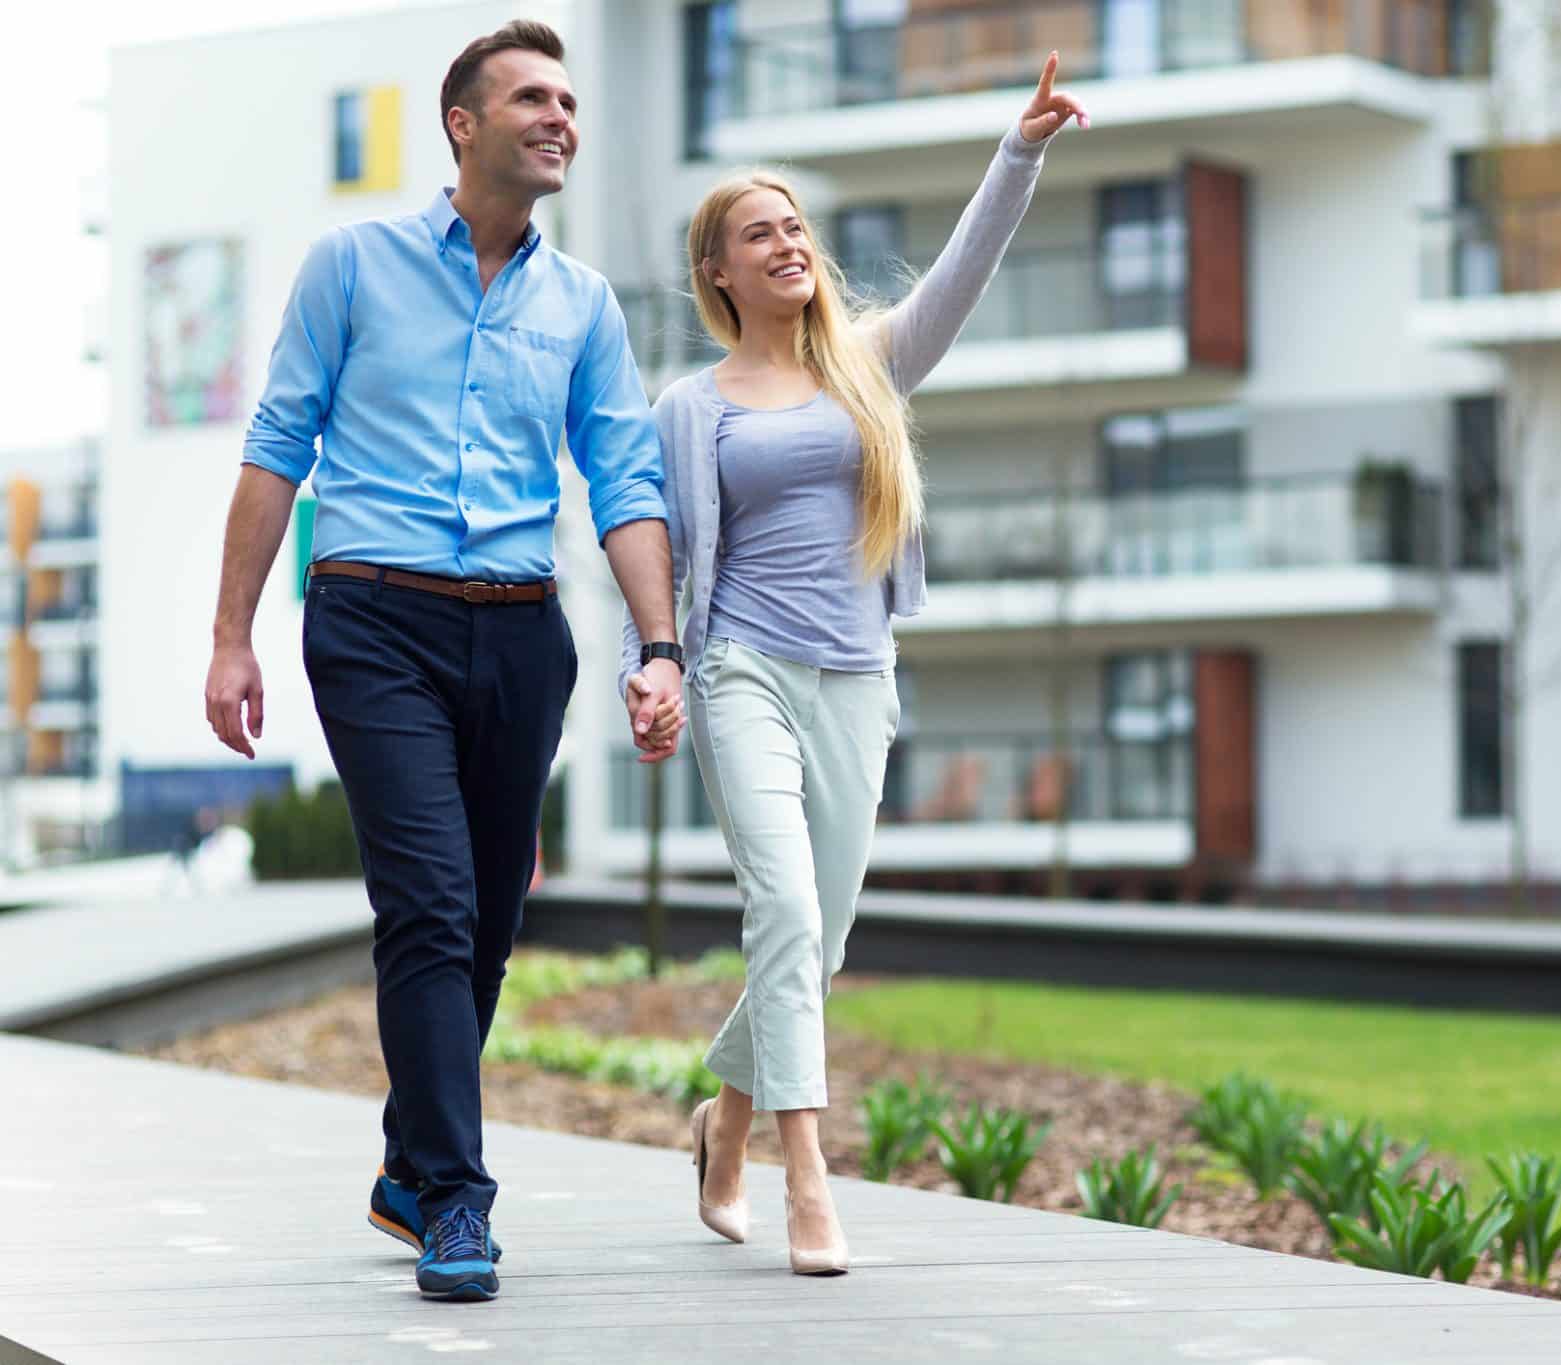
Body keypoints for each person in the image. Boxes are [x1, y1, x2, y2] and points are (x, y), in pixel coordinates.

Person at [203, 20, 684, 1303]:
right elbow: (277, 443)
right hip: (372, 620)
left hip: (524, 633)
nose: (560, 117)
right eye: (531, 96)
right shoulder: (350, 265)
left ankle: (411, 1158)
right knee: (426, 902)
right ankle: (457, 1203)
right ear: (462, 125)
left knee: (487, 924)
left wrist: (659, 644)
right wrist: (230, 634)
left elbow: (624, 478)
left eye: (570, 100)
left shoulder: (580, 305)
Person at [616, 52, 1088, 1277]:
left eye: (794, 227)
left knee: (815, 944)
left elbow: (960, 279)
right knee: (780, 907)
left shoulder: (864, 366)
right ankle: (805, 1182)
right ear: (716, 270)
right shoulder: (693, 404)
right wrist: (654, 663)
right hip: (743, 674)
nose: (786, 244)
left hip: (856, 676)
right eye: (757, 233)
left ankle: (721, 1123)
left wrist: (1018, 150)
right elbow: (653, 547)